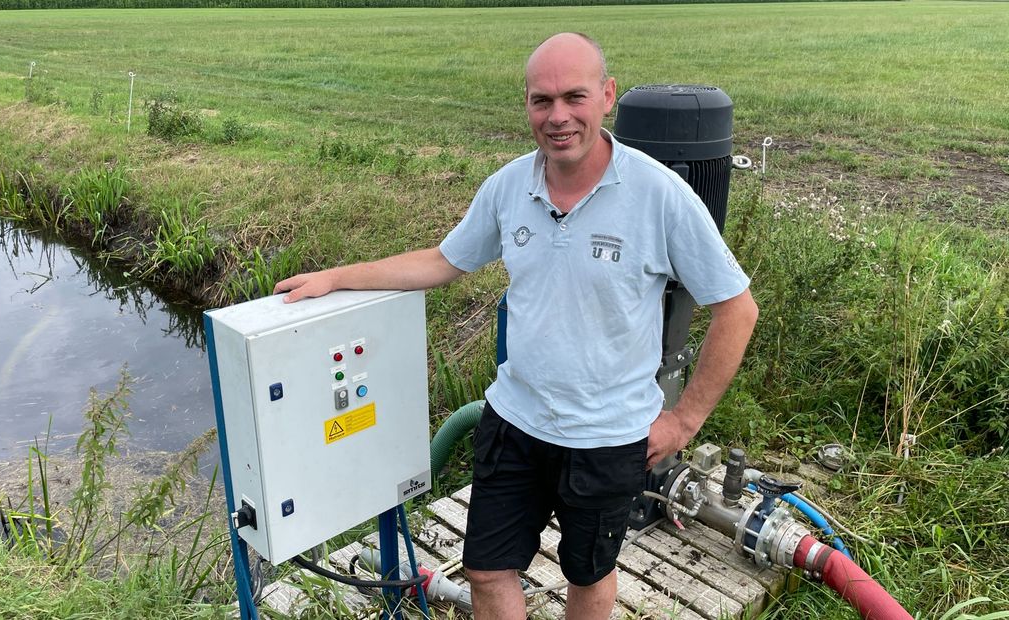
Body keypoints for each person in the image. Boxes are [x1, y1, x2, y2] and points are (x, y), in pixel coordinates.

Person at [275, 32, 758, 620]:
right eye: (541, 100)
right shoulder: (509, 187)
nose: (558, 117)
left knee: (589, 574)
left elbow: (736, 306)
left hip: (607, 438)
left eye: (574, 97)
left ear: (607, 96)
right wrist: (337, 277)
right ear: (526, 105)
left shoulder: (660, 195)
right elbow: (444, 261)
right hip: (515, 423)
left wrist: (685, 420)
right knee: (486, 570)